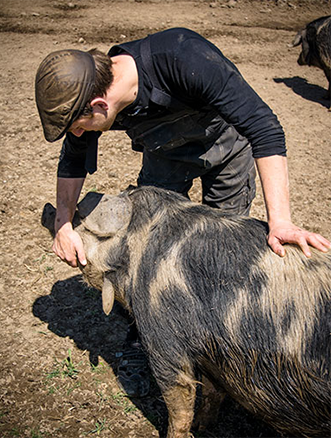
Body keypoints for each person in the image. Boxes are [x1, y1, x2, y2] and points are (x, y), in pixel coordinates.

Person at [35, 28, 331, 397]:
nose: (77, 134)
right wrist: (63, 223)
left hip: (227, 150)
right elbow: (73, 158)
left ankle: (220, 349)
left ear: (99, 105)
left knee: (220, 262)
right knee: (144, 258)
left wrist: (281, 220)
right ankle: (147, 342)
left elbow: (264, 127)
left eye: (78, 126)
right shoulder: (94, 92)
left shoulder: (183, 57)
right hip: (166, 154)